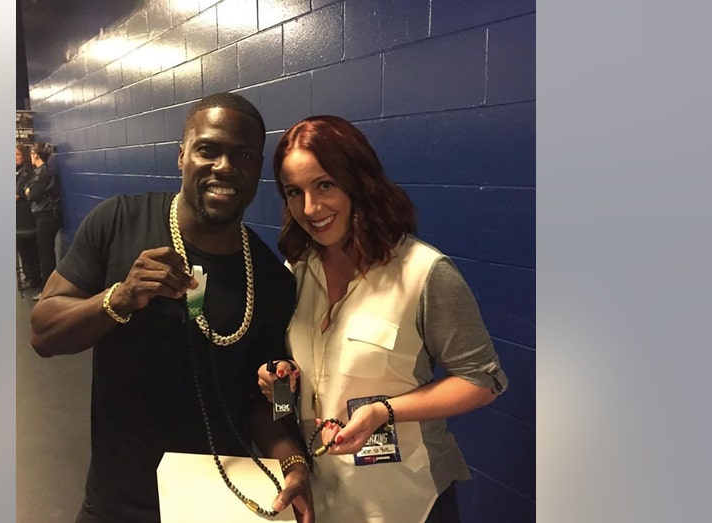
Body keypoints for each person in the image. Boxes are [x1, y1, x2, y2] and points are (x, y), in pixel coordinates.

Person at [29, 92, 314, 523]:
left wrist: (292, 462)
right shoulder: (118, 220)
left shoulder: (271, 278)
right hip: (117, 501)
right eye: (208, 150)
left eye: (243, 155)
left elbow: (265, 402)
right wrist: (118, 299)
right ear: (182, 157)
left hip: (220, 499)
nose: (224, 167)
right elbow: (43, 332)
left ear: (258, 170)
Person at [257, 115, 509, 523]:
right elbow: (300, 395)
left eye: (324, 185)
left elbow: (483, 382)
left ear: (357, 180)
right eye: (294, 192)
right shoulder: (298, 272)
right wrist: (281, 387)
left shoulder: (424, 272)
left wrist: (384, 411)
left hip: (409, 502)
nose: (310, 208)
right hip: (325, 499)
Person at [24, 142, 61, 300]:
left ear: (36, 155)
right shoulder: (38, 172)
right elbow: (25, 188)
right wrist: (28, 191)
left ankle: (48, 291)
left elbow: (33, 194)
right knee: (44, 253)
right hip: (42, 216)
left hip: (47, 216)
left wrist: (28, 192)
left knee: (46, 255)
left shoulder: (44, 172)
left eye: (32, 153)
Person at [16, 144, 42, 289]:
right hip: (17, 219)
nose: (15, 158)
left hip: (26, 217)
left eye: (18, 155)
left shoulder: (27, 172)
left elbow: (19, 192)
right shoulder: (15, 171)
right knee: (22, 249)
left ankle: (35, 278)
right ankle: (28, 276)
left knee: (30, 248)